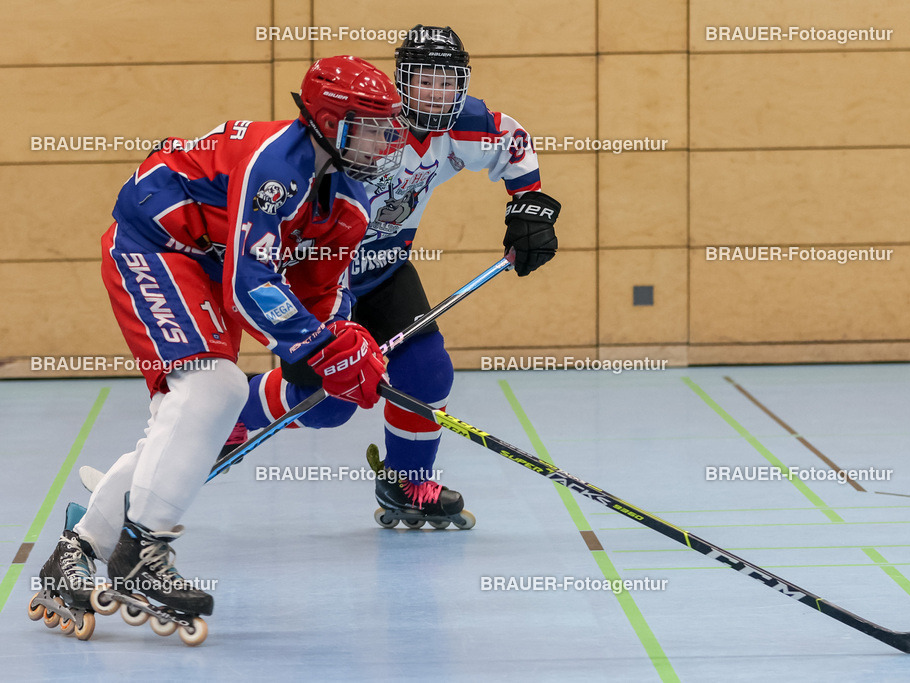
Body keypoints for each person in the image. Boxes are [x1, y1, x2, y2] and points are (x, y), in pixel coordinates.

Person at [28, 55, 407, 644]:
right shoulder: (276, 164)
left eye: (389, 127)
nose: (386, 141)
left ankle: (75, 554)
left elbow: (320, 292)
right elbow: (249, 282)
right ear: (329, 123)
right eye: (369, 126)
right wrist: (317, 346)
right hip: (156, 243)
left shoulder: (351, 202)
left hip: (210, 260)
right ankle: (139, 557)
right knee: (216, 388)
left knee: (188, 422)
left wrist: (343, 342)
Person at [237, 25, 561, 529]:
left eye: (448, 81)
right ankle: (230, 414)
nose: (437, 93)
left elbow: (513, 142)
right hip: (318, 276)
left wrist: (529, 205)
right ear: (402, 79)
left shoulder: (463, 125)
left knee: (427, 371)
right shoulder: (364, 125)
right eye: (425, 79)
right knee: (325, 407)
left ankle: (407, 482)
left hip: (384, 269)